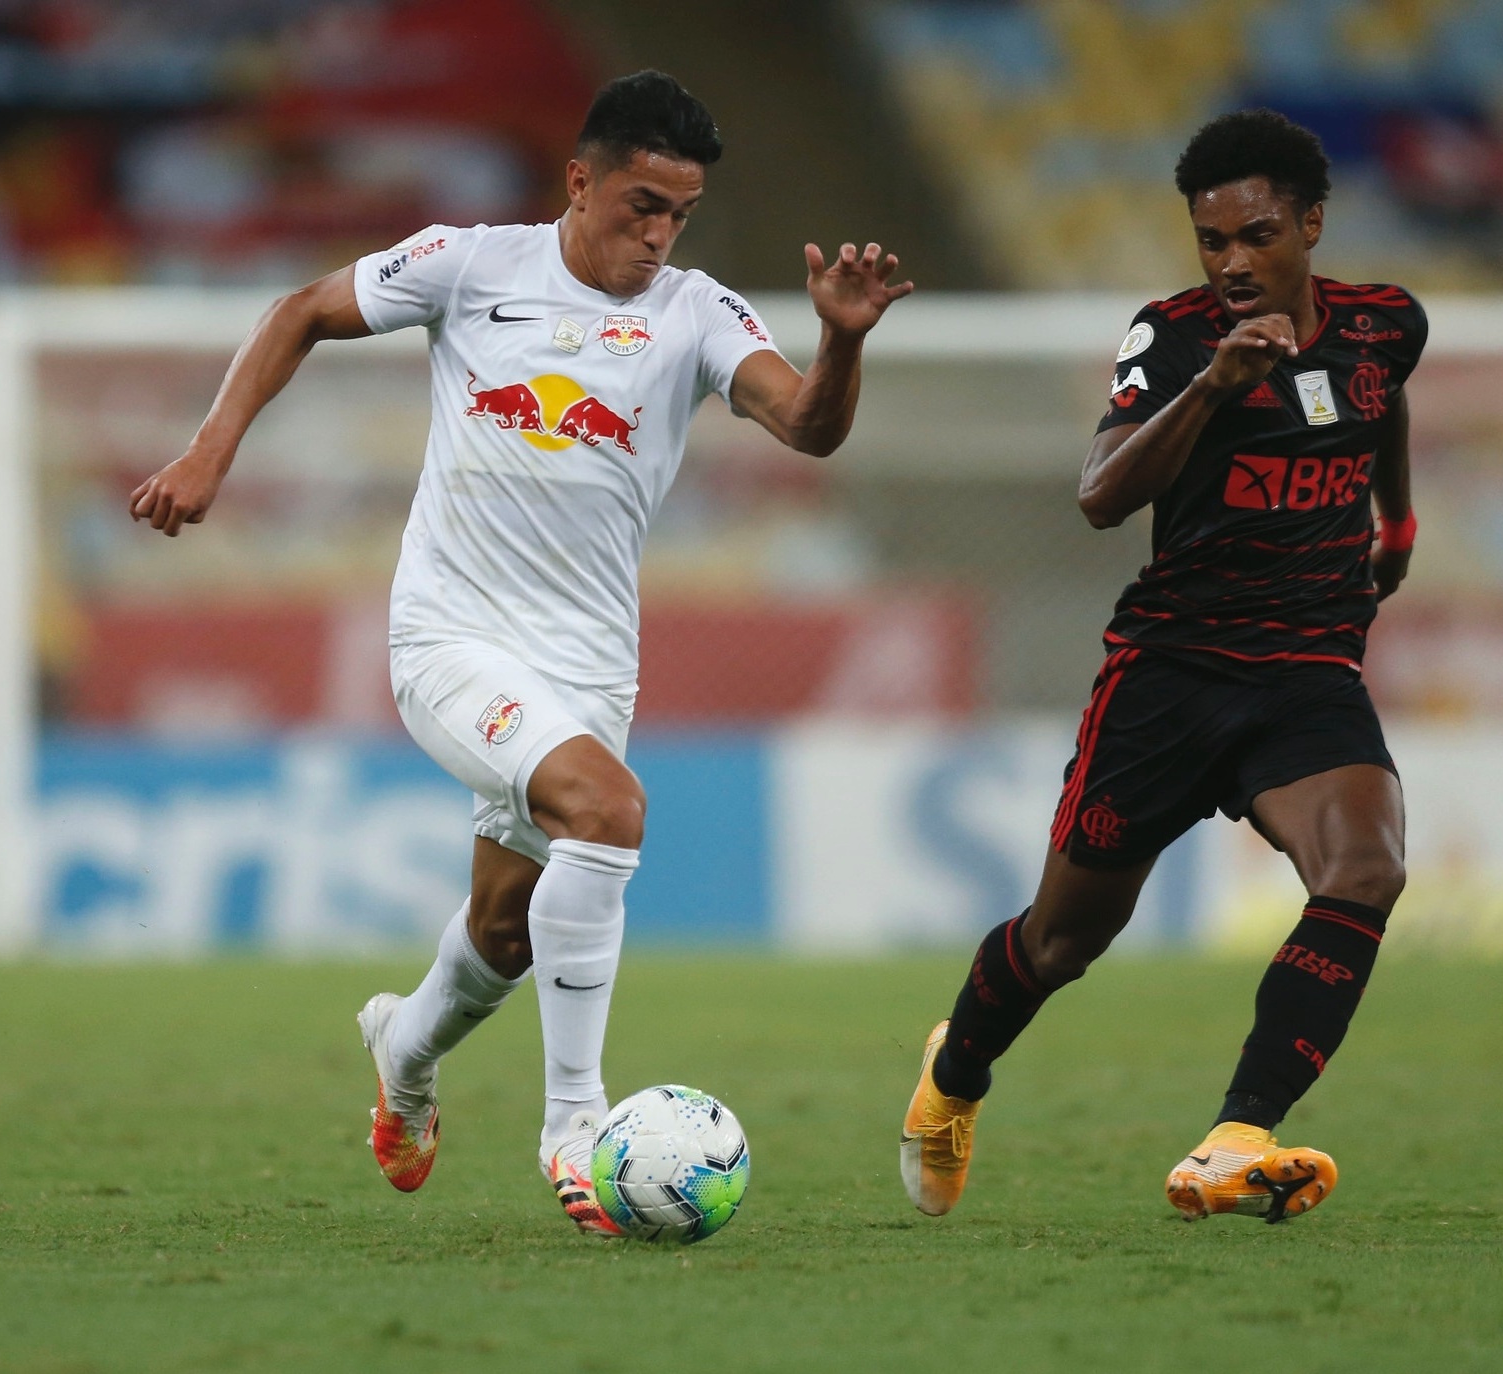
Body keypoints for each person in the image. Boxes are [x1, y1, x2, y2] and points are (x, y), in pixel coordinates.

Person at [130, 70, 911, 1232]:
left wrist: (839, 346)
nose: (657, 234)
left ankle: (402, 1047)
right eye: (640, 203)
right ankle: (573, 1125)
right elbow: (300, 308)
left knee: (503, 931)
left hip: (587, 665)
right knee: (606, 811)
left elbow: (805, 425)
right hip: (449, 635)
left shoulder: (695, 311)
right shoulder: (469, 262)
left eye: (678, 214)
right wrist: (207, 454)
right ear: (581, 179)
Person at [899, 109, 1425, 1225]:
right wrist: (1211, 390)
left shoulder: (1384, 326)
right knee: (1061, 940)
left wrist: (1396, 524)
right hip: (1168, 679)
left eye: (1255, 234)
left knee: (1365, 870)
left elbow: (1382, 405)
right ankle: (952, 1078)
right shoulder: (1175, 338)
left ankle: (1238, 1136)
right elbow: (1097, 498)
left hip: (1305, 671)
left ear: (1311, 225)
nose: (1231, 262)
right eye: (1209, 241)